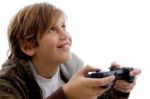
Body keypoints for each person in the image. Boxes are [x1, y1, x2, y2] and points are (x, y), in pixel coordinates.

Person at [0, 2, 141, 99]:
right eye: (51, 29)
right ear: (28, 46)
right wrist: (66, 95)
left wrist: (118, 90)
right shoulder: (8, 82)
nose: (65, 35)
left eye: (63, 26)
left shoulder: (72, 69)